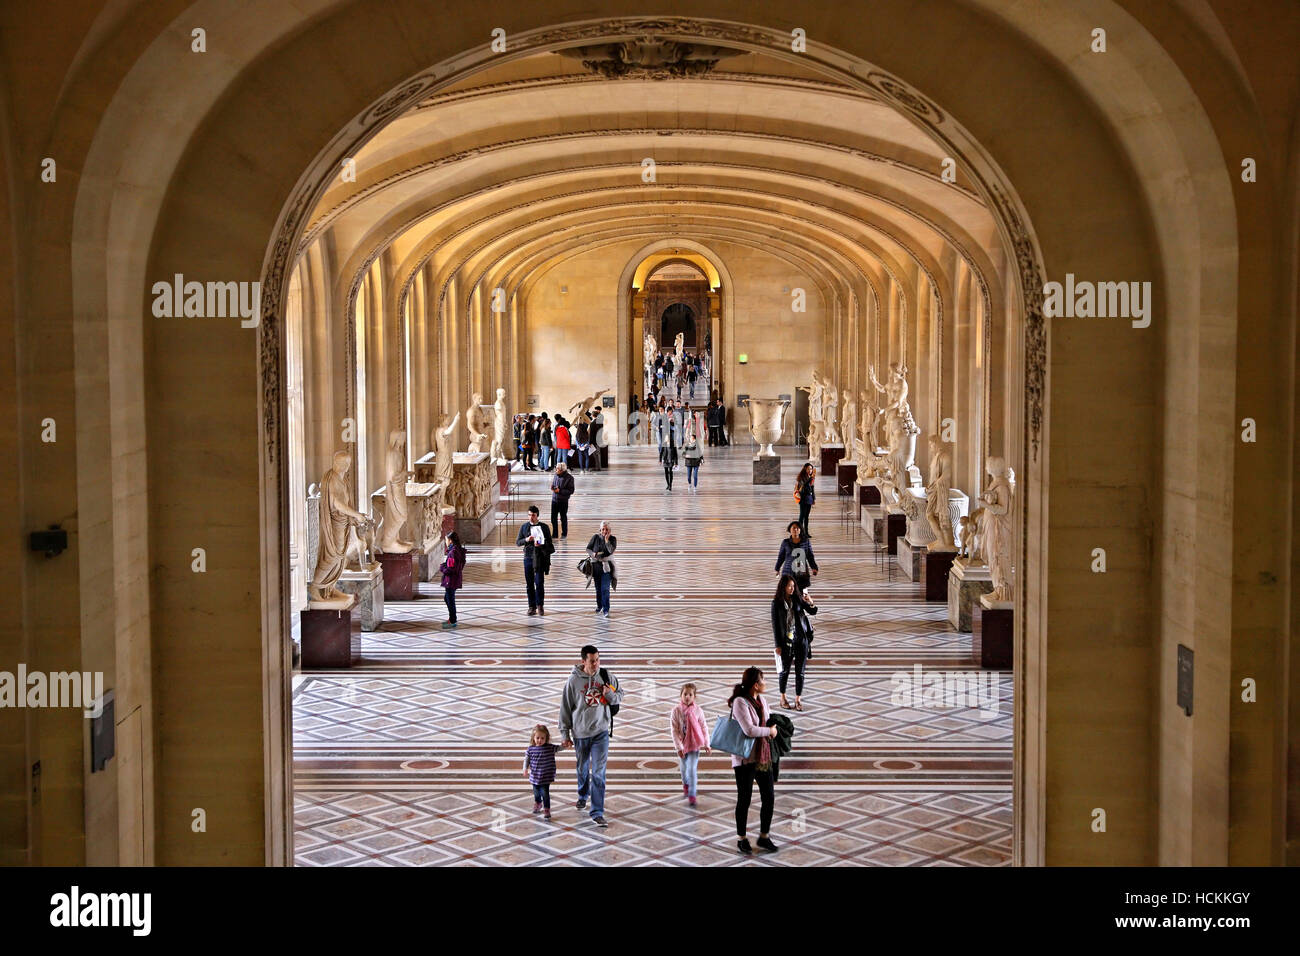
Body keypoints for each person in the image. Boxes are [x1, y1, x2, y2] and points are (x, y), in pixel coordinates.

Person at [559, 645, 624, 827]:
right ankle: (582, 794)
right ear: (583, 661)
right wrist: (564, 733)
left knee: (598, 773)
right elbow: (565, 708)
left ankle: (597, 811)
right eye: (592, 661)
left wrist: (610, 695)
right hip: (580, 733)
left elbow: (620, 695)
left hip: (601, 732)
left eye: (597, 660)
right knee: (582, 768)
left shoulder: (606, 676)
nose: (596, 664)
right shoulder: (573, 681)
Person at [728, 666, 780, 855]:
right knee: (745, 799)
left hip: (762, 756)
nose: (765, 683)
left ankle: (764, 836)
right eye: (763, 680)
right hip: (744, 759)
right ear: (756, 685)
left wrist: (774, 728)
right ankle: (741, 839)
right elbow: (749, 730)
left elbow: (767, 720)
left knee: (769, 797)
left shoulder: (762, 700)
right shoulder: (739, 703)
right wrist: (769, 731)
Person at [771, 574, 818, 710]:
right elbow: (775, 625)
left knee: (800, 671)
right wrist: (777, 645)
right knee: (784, 671)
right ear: (783, 587)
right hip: (786, 642)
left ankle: (798, 699)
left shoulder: (797, 599)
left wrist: (810, 601)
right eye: (789, 586)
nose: (792, 589)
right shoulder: (776, 603)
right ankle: (783, 698)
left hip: (801, 640)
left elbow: (813, 611)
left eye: (793, 586)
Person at [670, 683, 711, 806]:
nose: (687, 697)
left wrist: (707, 744)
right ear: (681, 695)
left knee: (692, 769)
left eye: (690, 695)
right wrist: (679, 747)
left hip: (694, 745)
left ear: (694, 697)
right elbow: (674, 730)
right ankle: (686, 785)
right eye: (685, 694)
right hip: (682, 746)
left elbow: (704, 728)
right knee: (683, 770)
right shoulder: (676, 711)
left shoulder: (698, 711)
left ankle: (692, 794)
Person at [524, 724, 568, 820]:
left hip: (545, 776)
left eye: (542, 738)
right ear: (533, 738)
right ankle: (538, 803)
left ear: (546, 738)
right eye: (538, 738)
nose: (540, 740)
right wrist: (525, 769)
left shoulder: (549, 747)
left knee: (545, 793)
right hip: (535, 776)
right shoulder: (530, 749)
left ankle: (547, 809)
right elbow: (526, 760)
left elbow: (559, 748)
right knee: (536, 793)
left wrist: (564, 745)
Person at [515, 505, 553, 615]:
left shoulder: (544, 527)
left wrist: (541, 544)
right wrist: (527, 539)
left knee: (539, 582)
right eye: (530, 515)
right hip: (528, 557)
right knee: (529, 583)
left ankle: (540, 605)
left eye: (533, 515)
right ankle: (531, 606)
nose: (531, 517)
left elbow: (550, 544)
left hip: (540, 558)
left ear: (537, 516)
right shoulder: (524, 527)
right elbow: (518, 542)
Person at [774, 520, 819, 592]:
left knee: (801, 592)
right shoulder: (785, 542)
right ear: (790, 530)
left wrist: (814, 567)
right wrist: (777, 568)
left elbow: (810, 556)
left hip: (801, 571)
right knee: (788, 591)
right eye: (793, 528)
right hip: (788, 571)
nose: (795, 529)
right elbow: (781, 557)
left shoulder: (806, 542)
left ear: (800, 530)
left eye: (797, 528)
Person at [586, 520, 617, 617]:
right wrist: (593, 555)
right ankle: (599, 605)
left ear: (610, 530)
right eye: (603, 529)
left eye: (606, 529)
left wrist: (607, 540)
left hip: (606, 567)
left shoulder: (613, 539)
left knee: (605, 589)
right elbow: (588, 549)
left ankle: (606, 609)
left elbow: (611, 550)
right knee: (598, 589)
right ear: (600, 530)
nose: (604, 531)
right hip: (596, 567)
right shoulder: (595, 537)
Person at [438, 531, 467, 630]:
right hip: (454, 578)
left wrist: (442, 568)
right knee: (448, 598)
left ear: (450, 541)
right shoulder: (457, 550)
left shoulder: (453, 552)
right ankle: (452, 618)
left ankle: (453, 620)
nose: (445, 542)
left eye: (446, 540)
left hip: (451, 580)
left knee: (450, 600)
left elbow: (451, 568)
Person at [550, 461, 574, 539]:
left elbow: (571, 491)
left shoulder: (569, 478)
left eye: (557, 469)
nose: (556, 470)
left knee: (563, 518)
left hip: (563, 501)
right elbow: (554, 484)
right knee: (553, 518)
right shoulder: (556, 475)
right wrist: (553, 488)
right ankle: (555, 534)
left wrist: (559, 491)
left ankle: (564, 534)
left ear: (562, 470)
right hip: (554, 500)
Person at [795, 462, 816, 538]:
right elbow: (802, 487)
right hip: (803, 498)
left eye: (811, 469)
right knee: (802, 516)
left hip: (809, 498)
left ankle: (806, 532)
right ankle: (800, 532)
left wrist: (814, 498)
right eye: (808, 469)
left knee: (806, 516)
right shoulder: (801, 477)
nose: (810, 470)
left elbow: (812, 489)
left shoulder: (811, 478)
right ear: (805, 469)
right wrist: (810, 479)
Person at [682, 420, 703, 489]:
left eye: (693, 439)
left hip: (696, 461)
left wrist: (701, 460)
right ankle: (690, 484)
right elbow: (683, 454)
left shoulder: (697, 445)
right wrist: (685, 456)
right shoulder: (687, 445)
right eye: (691, 439)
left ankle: (695, 486)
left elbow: (700, 453)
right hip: (689, 462)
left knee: (695, 475)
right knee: (688, 476)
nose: (691, 440)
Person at [660, 419, 679, 491]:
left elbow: (676, 454)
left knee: (670, 472)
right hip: (665, 460)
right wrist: (660, 459)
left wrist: (676, 463)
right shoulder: (664, 444)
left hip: (671, 460)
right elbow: (661, 452)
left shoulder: (673, 445)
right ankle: (668, 484)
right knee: (665, 472)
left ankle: (670, 485)